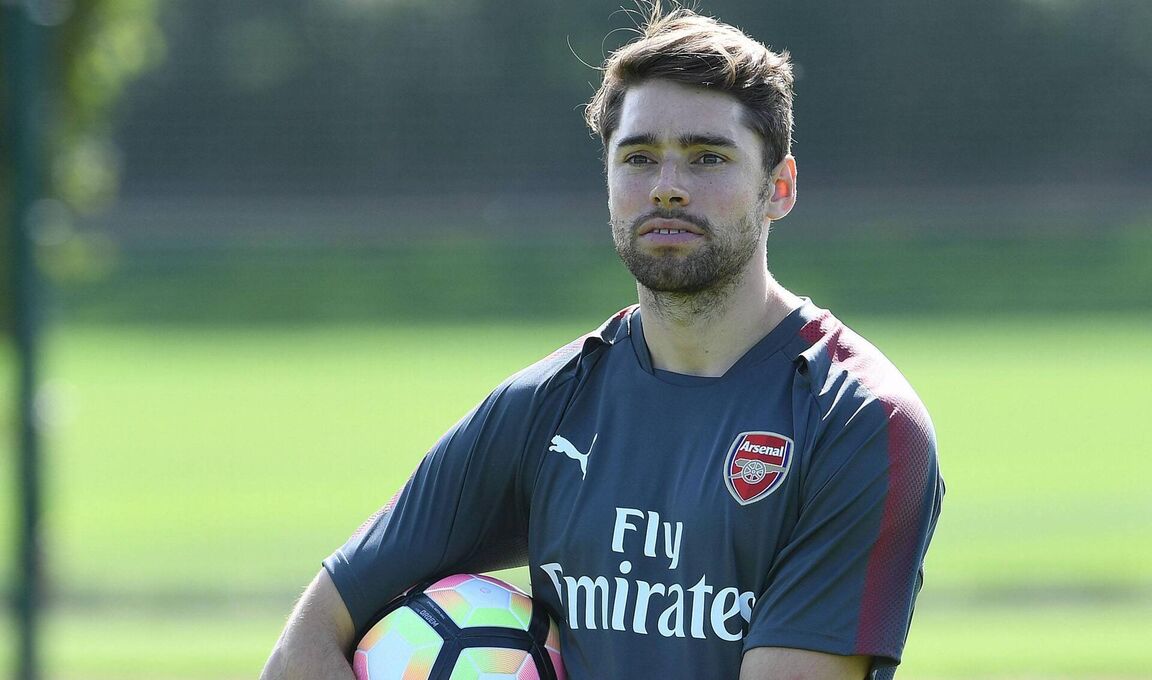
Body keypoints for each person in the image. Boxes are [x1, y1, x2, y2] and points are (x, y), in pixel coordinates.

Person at [261, 3, 943, 679]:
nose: (667, 189)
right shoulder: (546, 407)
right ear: (609, 180)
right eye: (639, 158)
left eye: (707, 158)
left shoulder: (857, 422)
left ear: (780, 188)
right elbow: (300, 651)